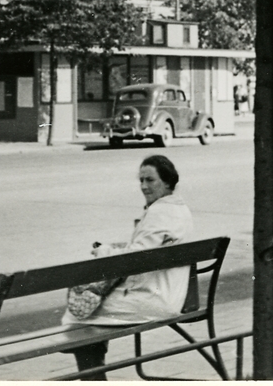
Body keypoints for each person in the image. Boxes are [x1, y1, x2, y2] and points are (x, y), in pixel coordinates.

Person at [65, 155, 194, 379]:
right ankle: (95, 373)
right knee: (89, 312)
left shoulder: (159, 212)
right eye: (141, 180)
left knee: (80, 313)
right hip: (170, 293)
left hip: (153, 300)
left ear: (167, 182)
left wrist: (104, 252)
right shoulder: (179, 209)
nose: (143, 186)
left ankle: (93, 378)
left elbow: (133, 259)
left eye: (150, 180)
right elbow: (145, 249)